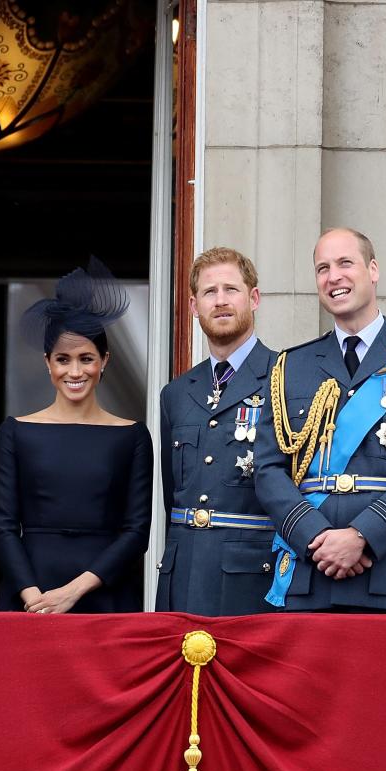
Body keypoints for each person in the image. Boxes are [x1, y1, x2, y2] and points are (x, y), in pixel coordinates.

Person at [253, 228, 386, 613]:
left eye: (345, 263)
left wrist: (362, 535)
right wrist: (314, 536)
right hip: (309, 570)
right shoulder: (290, 366)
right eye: (322, 268)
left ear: (373, 269)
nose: (334, 277)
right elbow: (267, 469)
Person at [0, 261, 153, 613]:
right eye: (63, 359)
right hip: (29, 595)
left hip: (105, 594)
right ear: (48, 362)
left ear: (104, 361)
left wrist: (73, 592)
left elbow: (136, 532)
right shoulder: (15, 432)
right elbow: (3, 527)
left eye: (86, 358)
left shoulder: (133, 436)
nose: (75, 371)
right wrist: (35, 598)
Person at [156, 247, 278, 616]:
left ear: (253, 298)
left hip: (252, 580)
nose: (220, 301)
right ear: (194, 306)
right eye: (210, 292)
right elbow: (171, 498)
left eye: (231, 290)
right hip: (183, 576)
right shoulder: (176, 393)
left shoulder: (285, 378)